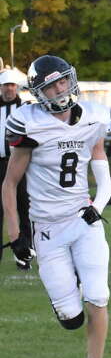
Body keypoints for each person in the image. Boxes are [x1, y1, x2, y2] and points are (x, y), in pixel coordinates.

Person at [2, 55, 111, 358]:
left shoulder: (93, 118)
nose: (60, 89)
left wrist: (97, 207)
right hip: (47, 228)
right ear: (39, 92)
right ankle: (70, 294)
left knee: (98, 296)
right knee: (71, 319)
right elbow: (9, 183)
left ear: (71, 79)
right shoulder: (28, 122)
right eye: (51, 85)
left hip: (83, 221)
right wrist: (16, 235)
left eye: (63, 80)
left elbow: (104, 176)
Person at [0, 68, 32, 270]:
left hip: (20, 164)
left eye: (12, 85)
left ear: (17, 87)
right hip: (0, 163)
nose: (9, 89)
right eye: (5, 85)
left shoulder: (25, 108)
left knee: (24, 209)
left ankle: (24, 254)